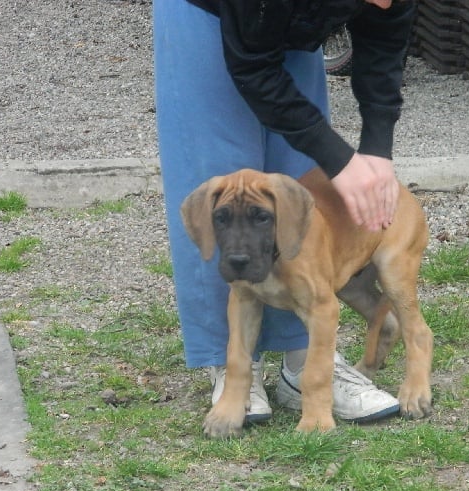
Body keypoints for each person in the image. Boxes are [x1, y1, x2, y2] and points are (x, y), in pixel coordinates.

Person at [154, 0, 416, 425]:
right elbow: (254, 67)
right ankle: (235, 372)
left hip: (283, 13)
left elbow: (384, 43)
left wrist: (376, 150)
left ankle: (305, 363)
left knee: (298, 187)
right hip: (209, 12)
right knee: (225, 184)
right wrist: (342, 162)